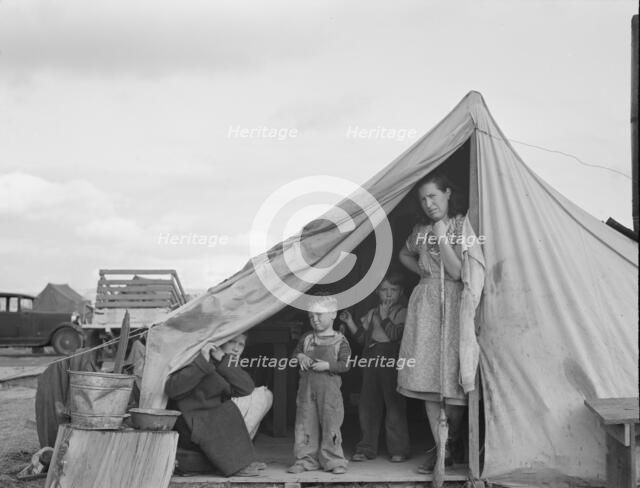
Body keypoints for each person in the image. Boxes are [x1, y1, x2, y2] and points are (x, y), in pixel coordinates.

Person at [397, 172, 484, 473]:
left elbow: (459, 272)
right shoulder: (419, 229)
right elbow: (403, 254)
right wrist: (423, 274)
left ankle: (454, 439)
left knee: (454, 378)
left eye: (433, 195)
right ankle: (441, 450)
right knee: (427, 378)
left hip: (455, 303)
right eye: (423, 199)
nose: (428, 203)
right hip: (426, 304)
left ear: (448, 193)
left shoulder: (462, 225)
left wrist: (442, 234)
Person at [165, 332, 272, 477]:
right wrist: (203, 362)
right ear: (220, 342)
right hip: (188, 421)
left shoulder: (224, 363)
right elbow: (173, 389)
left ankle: (242, 460)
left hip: (208, 419)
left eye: (241, 344)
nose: (236, 349)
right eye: (232, 342)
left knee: (229, 410)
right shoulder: (196, 359)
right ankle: (237, 465)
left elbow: (246, 388)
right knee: (225, 412)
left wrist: (222, 359)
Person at [340, 270, 411, 463]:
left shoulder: (402, 312)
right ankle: (366, 447)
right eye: (384, 290)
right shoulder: (372, 313)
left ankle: (399, 449)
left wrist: (386, 317)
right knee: (368, 404)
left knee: (394, 405)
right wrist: (350, 323)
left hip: (391, 360)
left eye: (393, 290)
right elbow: (362, 339)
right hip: (370, 359)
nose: (388, 294)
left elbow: (395, 334)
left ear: (401, 292)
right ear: (377, 292)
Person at [287, 293, 351, 475]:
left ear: (333, 314)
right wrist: (300, 356)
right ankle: (305, 460)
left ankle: (334, 460)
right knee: (305, 424)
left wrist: (328, 365)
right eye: (311, 316)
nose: (314, 320)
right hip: (306, 391)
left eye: (319, 315)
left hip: (330, 393)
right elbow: (294, 355)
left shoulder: (340, 340)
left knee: (331, 424)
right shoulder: (307, 338)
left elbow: (346, 365)